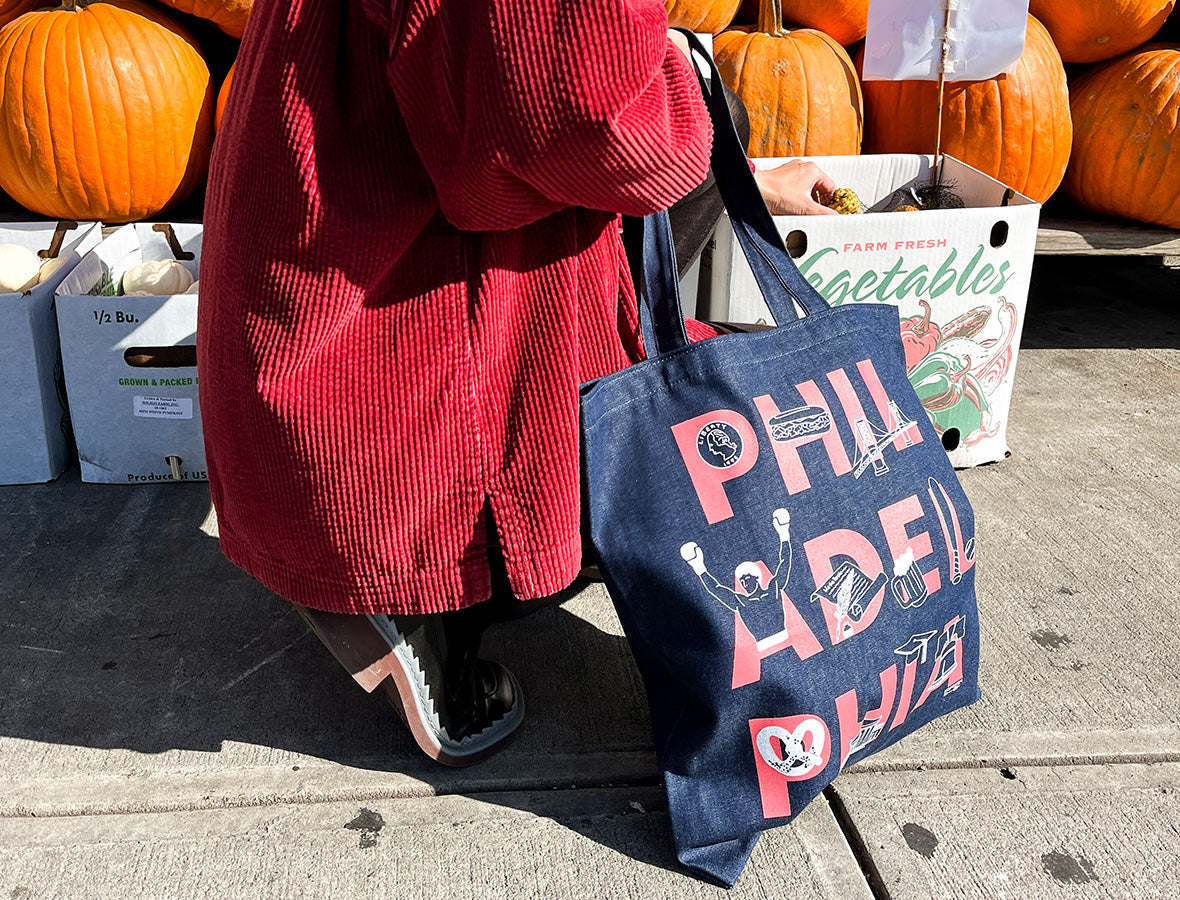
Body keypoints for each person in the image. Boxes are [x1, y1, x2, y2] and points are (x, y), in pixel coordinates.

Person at [197, 0, 836, 767]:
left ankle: (529, 493)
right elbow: (588, 117)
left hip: (309, 274)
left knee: (697, 108)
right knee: (691, 111)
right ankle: (420, 581)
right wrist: (675, 86)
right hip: (372, 376)